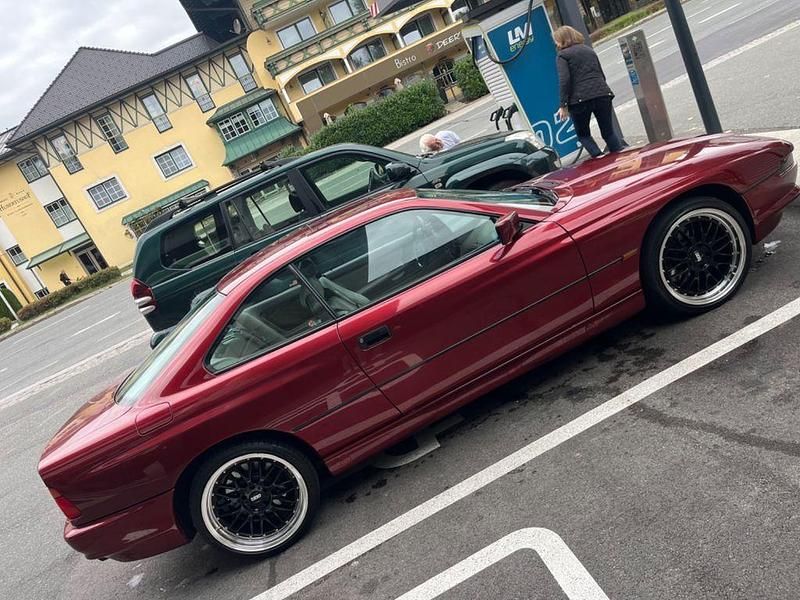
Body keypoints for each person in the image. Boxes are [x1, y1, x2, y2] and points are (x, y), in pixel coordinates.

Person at [553, 25, 624, 158]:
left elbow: (565, 81)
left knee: (584, 135)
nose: (556, 44)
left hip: (580, 100)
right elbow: (601, 74)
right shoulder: (589, 50)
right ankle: (620, 159)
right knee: (608, 133)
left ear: (562, 40)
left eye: (556, 40)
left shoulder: (562, 56)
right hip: (603, 94)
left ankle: (599, 159)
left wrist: (563, 105)